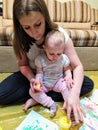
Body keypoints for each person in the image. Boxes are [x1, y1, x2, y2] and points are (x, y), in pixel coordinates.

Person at [0, 0, 94, 126]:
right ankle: (42, 96)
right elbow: (23, 66)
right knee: (1, 94)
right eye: (27, 27)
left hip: (57, 75)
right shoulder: (19, 39)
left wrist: (74, 95)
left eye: (38, 24)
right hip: (35, 75)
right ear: (20, 26)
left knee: (87, 84)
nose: (34, 33)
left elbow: (77, 66)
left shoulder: (59, 35)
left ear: (45, 17)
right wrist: (32, 79)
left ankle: (39, 98)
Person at [23, 30, 74, 118]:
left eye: (59, 53)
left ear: (63, 50)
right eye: (51, 53)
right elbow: (39, 73)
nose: (55, 57)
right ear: (44, 48)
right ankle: (51, 104)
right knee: (32, 91)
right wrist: (38, 82)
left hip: (58, 81)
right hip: (45, 83)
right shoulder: (40, 59)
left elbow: (67, 69)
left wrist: (69, 75)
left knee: (68, 87)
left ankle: (68, 104)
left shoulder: (64, 58)